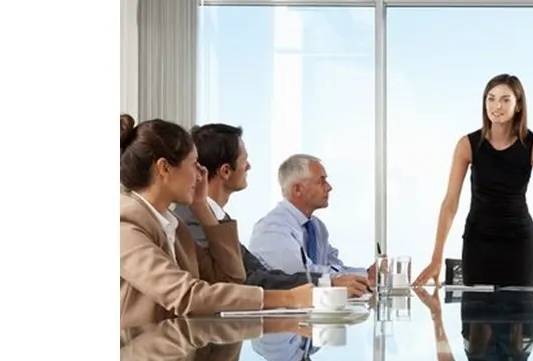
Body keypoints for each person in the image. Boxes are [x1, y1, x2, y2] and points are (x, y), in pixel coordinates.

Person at [119, 115, 311, 329]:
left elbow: (230, 280)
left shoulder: (174, 226)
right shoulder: (125, 225)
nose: (200, 176)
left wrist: (201, 207)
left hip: (174, 356)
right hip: (137, 358)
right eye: (194, 165)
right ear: (164, 168)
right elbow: (186, 296)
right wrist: (287, 298)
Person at [413, 73, 533, 288]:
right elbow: (450, 203)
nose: (497, 105)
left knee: (519, 313)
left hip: (519, 244)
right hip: (478, 242)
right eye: (491, 98)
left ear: (518, 105)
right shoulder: (467, 144)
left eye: (505, 99)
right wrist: (436, 259)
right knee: (476, 314)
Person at [174, 123, 368, 296]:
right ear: (225, 171)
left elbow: (259, 274)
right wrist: (327, 284)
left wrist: (328, 283)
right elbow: (237, 282)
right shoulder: (192, 218)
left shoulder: (218, 217)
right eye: (244, 160)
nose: (248, 166)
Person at [248, 153, 376, 282]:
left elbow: (334, 267)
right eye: (322, 181)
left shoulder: (317, 226)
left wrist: (367, 273)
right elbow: (304, 275)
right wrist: (361, 276)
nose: (329, 187)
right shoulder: (271, 229)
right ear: (298, 189)